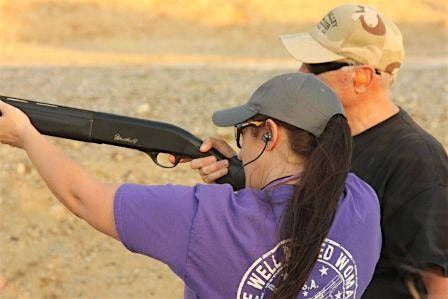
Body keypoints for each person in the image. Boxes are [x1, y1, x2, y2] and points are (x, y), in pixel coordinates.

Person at [0, 73, 381, 298]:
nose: (237, 143)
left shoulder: (207, 222)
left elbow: (82, 198)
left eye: (242, 132)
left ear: (270, 134)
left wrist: (25, 136)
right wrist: (238, 175)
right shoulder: (362, 202)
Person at [189, 4, 448, 298]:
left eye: (315, 66)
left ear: (361, 77)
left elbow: (439, 283)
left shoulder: (417, 160)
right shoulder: (315, 135)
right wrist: (239, 167)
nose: (300, 72)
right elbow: (291, 205)